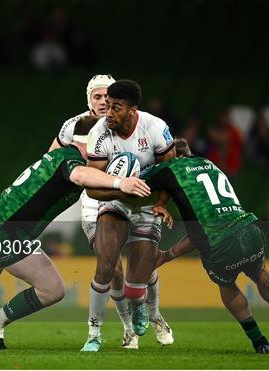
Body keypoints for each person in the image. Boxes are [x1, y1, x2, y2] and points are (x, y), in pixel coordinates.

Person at [0, 116, 151, 349]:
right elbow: (79, 175)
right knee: (52, 289)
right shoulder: (70, 160)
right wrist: (121, 183)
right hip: (4, 231)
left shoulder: (61, 155)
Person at [145, 138, 269, 353]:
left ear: (172, 155)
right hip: (249, 231)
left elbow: (135, 184)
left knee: (227, 285)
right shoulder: (211, 165)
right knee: (261, 273)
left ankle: (260, 342)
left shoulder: (171, 168)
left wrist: (165, 255)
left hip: (220, 247)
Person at [49, 75, 140, 349]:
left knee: (133, 264)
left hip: (125, 195)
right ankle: (119, 330)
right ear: (88, 98)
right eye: (97, 97)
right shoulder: (74, 125)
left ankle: (146, 320)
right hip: (92, 199)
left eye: (106, 97)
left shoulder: (127, 122)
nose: (102, 102)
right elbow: (51, 157)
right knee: (109, 262)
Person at [83, 79, 175, 351]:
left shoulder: (155, 127)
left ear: (133, 110)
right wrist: (121, 190)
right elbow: (92, 187)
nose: (109, 113)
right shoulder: (99, 132)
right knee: (106, 266)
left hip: (147, 204)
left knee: (136, 286)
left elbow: (171, 171)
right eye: (107, 106)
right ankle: (93, 334)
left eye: (116, 108)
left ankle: (142, 307)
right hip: (114, 201)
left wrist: (161, 203)